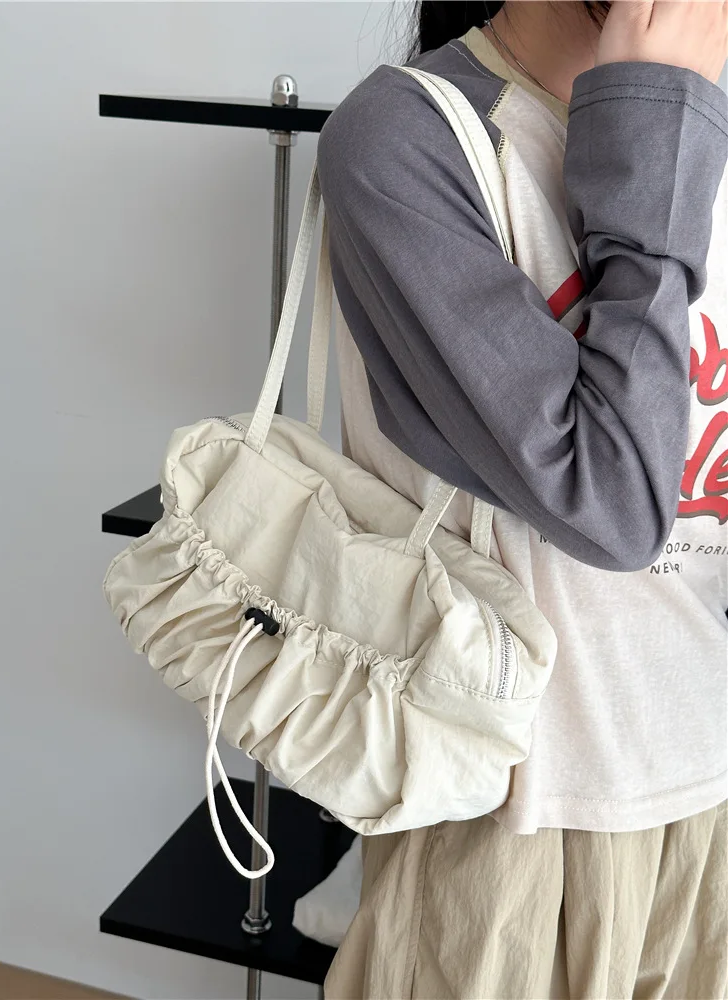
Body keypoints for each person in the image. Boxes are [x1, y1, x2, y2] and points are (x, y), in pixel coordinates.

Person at [315, 2, 728, 997]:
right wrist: (653, 114)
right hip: (518, 830)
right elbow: (613, 507)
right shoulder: (406, 137)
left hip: (709, 796)